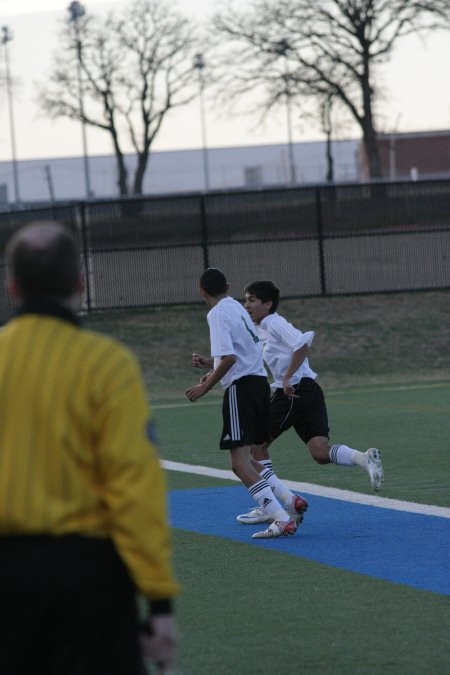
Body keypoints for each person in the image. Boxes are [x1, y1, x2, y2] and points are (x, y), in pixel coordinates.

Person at [0, 221, 179, 675]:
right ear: (80, 283)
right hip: (88, 580)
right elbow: (134, 487)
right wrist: (158, 600)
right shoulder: (107, 363)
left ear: (13, 286)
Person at [236, 280, 384, 526]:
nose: (247, 305)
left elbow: (303, 343)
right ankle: (364, 458)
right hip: (308, 391)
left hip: (293, 392)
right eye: (246, 300)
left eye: (252, 300)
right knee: (320, 453)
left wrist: (285, 378)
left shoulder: (274, 322)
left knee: (255, 447)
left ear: (268, 303)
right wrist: (211, 364)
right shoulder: (259, 328)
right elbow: (245, 356)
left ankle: (269, 503)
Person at [186, 268, 308, 539]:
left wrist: (204, 386)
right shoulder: (239, 309)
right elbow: (244, 352)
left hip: (240, 390)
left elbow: (229, 358)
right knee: (252, 457)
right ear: (228, 286)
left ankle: (281, 517)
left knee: (239, 463)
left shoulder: (216, 313)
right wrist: (211, 366)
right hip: (259, 386)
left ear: (201, 292)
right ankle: (289, 501)